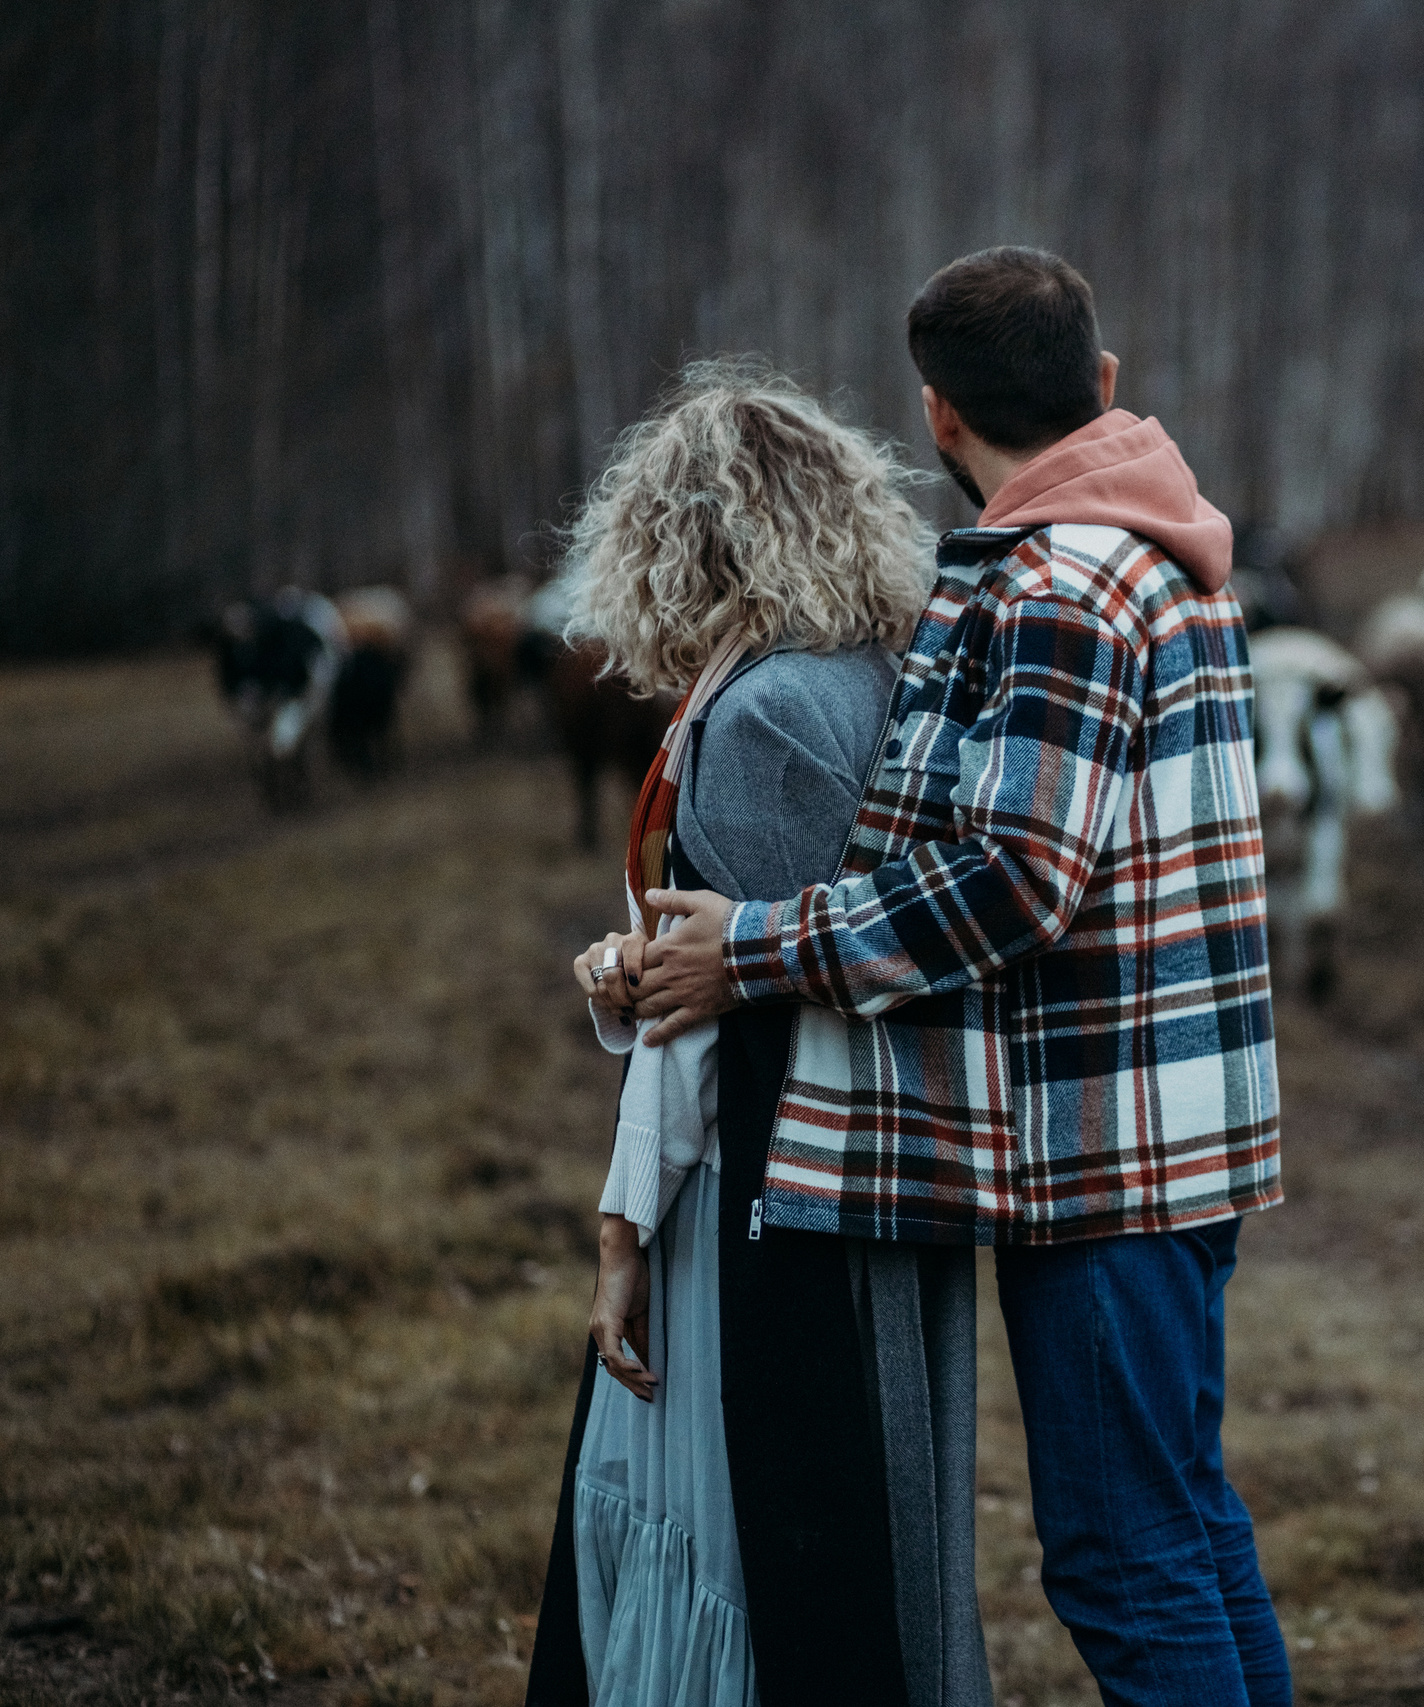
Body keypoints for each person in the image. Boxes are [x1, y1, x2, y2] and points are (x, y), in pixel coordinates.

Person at [629, 248, 1292, 1707]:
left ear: (937, 417)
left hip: (1106, 1157)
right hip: (1173, 1133)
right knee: (1185, 1528)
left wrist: (750, 946)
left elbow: (1015, 882)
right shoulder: (1157, 554)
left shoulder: (1060, 583)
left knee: (1125, 1563)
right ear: (1101, 383)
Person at [525, 362, 992, 1707]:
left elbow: (720, 1026)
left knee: (758, 1569)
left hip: (770, 1205)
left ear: (675, 540)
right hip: (870, 1175)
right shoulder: (870, 674)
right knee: (872, 1554)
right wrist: (649, 968)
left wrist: (621, 1236)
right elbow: (760, 960)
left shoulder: (769, 713)